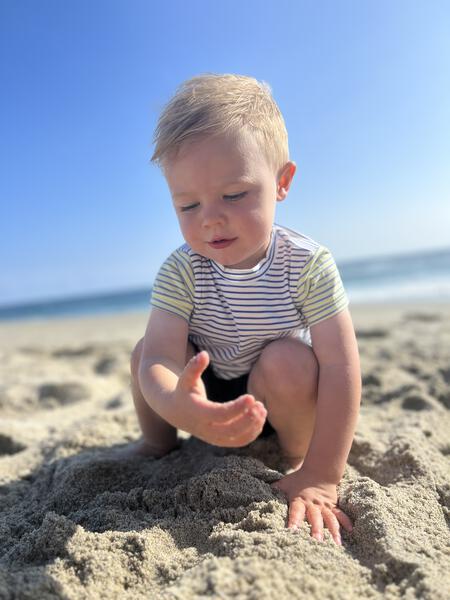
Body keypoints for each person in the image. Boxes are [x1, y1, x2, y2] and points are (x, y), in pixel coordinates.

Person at [127, 74, 361, 546]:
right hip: (207, 392)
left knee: (290, 360)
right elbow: (159, 360)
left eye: (234, 195)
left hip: (279, 398)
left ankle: (293, 455)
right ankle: (159, 444)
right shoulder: (183, 270)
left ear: (282, 183)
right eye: (187, 205)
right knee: (142, 354)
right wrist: (179, 405)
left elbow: (340, 365)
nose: (210, 217)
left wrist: (323, 473)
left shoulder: (307, 264)